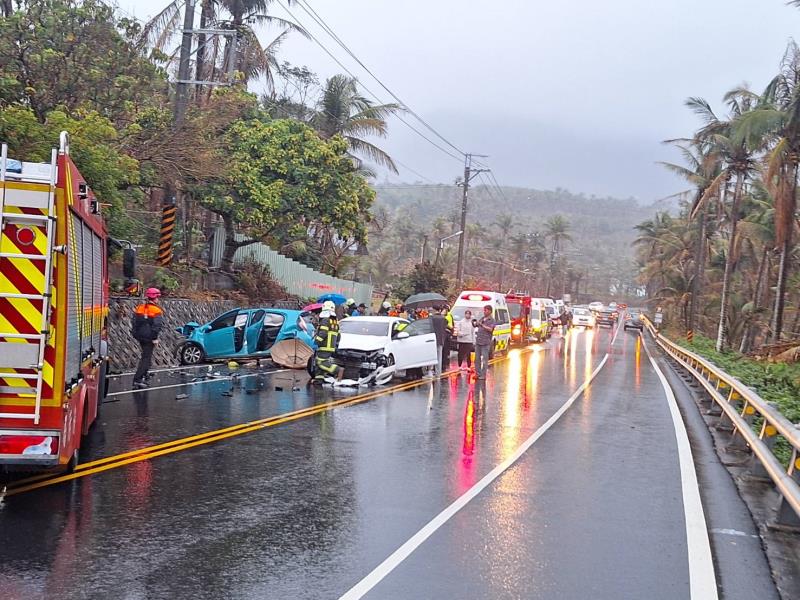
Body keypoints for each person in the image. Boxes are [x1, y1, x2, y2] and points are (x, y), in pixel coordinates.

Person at [131, 287, 164, 389]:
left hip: (139, 336)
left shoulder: (139, 308)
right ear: (156, 298)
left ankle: (145, 374)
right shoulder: (157, 310)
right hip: (149, 337)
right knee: (146, 358)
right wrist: (154, 338)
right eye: (158, 297)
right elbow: (157, 326)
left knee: (146, 356)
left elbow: (134, 322)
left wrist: (135, 333)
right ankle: (137, 379)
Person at [313, 301, 344, 384]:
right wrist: (336, 344)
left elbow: (323, 333)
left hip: (324, 345)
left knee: (321, 362)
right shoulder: (335, 321)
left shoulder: (325, 320)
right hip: (330, 346)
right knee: (319, 363)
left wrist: (316, 342)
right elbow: (338, 336)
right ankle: (319, 379)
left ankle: (338, 370)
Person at [474, 305, 496, 380]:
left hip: (486, 342)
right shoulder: (482, 318)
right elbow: (477, 325)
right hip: (478, 341)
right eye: (484, 310)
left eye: (485, 310)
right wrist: (476, 323)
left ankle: (483, 375)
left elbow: (490, 329)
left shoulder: (492, 320)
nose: (484, 312)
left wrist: (482, 325)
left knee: (484, 359)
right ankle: (477, 373)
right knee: (477, 359)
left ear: (490, 311)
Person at [430, 307, 449, 374]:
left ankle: (430, 371)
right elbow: (446, 325)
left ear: (434, 310)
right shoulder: (443, 318)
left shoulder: (431, 318)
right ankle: (438, 372)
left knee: (432, 356)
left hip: (432, 339)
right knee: (439, 356)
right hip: (441, 339)